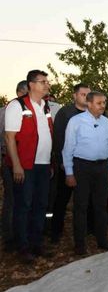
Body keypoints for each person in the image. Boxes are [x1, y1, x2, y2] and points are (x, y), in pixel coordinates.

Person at [4, 70, 54, 262]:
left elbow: (47, 134)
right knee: (23, 205)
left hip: (43, 164)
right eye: (43, 82)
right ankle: (22, 246)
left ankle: (36, 243)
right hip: (24, 165)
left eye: (47, 81)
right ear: (31, 85)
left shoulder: (45, 106)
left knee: (41, 205)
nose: (46, 84)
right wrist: (16, 165)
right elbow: (9, 138)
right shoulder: (17, 106)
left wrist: (50, 162)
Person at [62, 92, 108, 255]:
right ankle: (80, 244)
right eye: (99, 103)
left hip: (102, 168)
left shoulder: (106, 122)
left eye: (104, 102)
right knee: (81, 206)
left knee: (101, 206)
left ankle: (102, 240)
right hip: (82, 168)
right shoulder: (76, 121)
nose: (103, 106)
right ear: (89, 104)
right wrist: (69, 173)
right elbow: (68, 148)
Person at [49, 83, 91, 243]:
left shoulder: (93, 112)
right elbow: (58, 138)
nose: (86, 97)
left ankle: (87, 229)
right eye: (83, 94)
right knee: (62, 199)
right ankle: (55, 231)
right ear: (74, 96)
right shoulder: (65, 113)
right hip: (68, 164)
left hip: (87, 165)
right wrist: (62, 163)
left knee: (86, 199)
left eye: (88, 94)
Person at [0, 80, 28, 251]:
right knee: (11, 200)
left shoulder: (33, 110)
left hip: (28, 162)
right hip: (9, 162)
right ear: (19, 93)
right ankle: (9, 238)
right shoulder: (5, 112)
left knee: (25, 200)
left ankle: (23, 234)